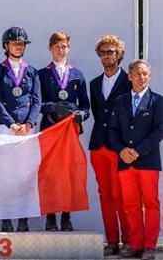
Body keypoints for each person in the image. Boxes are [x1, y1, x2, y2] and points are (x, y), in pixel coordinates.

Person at [109, 60, 162, 260]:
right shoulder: (120, 101)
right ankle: (136, 245)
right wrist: (121, 150)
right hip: (125, 162)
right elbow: (113, 129)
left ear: (150, 76)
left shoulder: (158, 101)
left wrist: (138, 151)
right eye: (137, 74)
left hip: (148, 161)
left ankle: (149, 246)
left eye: (145, 74)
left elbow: (159, 130)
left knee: (151, 204)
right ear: (129, 76)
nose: (142, 77)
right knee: (129, 204)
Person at [0, 26, 41, 232]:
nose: (19, 47)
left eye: (21, 44)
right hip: (5, 128)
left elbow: (37, 101)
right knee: (6, 174)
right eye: (15, 43)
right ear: (6, 46)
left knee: (25, 174)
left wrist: (28, 124)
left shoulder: (32, 71)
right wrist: (11, 123)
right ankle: (6, 217)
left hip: (27, 130)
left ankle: (23, 217)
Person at [38, 32, 90, 231]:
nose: (61, 50)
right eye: (57, 46)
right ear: (50, 48)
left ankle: (66, 216)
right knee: (50, 173)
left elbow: (85, 105)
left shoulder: (77, 74)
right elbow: (37, 104)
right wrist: (52, 107)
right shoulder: (42, 74)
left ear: (69, 48)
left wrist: (82, 115)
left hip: (70, 131)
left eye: (64, 46)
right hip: (50, 129)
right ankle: (50, 216)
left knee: (68, 173)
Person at [89, 35, 132, 255]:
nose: (107, 56)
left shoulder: (129, 81)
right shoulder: (94, 84)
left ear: (119, 54)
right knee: (104, 195)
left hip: (120, 147)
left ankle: (129, 241)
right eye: (103, 52)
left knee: (122, 195)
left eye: (111, 52)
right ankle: (112, 241)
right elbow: (98, 113)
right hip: (98, 146)